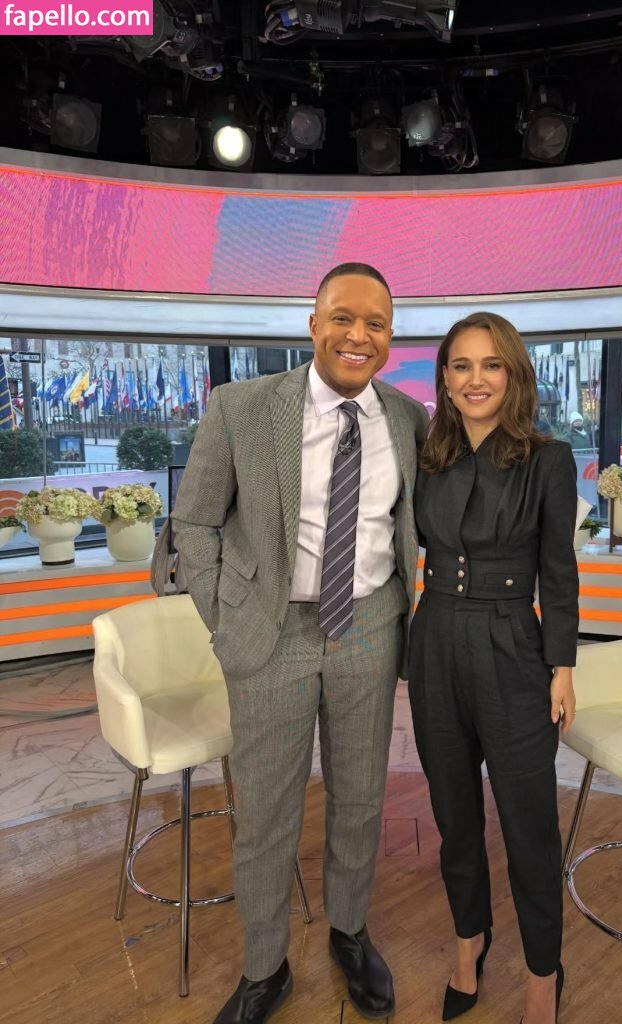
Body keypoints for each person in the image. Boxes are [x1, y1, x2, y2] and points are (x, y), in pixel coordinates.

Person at [170, 263, 429, 1024]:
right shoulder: (241, 407)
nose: (358, 335)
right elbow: (194, 522)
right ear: (313, 325)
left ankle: (350, 933)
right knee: (266, 814)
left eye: (376, 323)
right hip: (271, 632)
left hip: (370, 626)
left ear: (390, 337)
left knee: (361, 797)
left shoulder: (407, 419)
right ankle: (264, 969)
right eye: (343, 318)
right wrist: (228, 616)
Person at [408, 312, 578, 1024]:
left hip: (514, 649)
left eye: (491, 365)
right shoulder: (429, 457)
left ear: (513, 375)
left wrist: (561, 666)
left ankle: (543, 972)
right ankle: (469, 939)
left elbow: (558, 571)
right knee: (454, 818)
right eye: (461, 365)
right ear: (445, 379)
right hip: (435, 639)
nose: (475, 379)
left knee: (528, 827)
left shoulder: (548, 459)